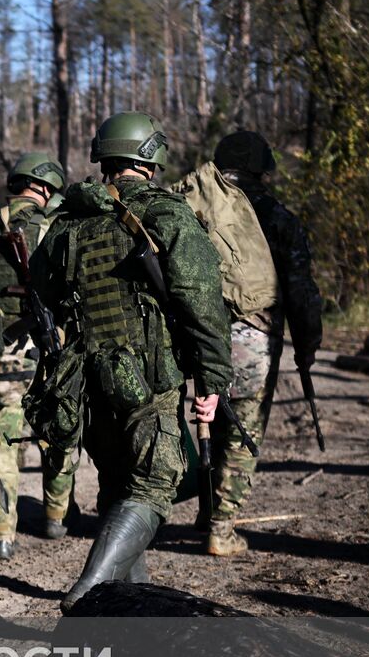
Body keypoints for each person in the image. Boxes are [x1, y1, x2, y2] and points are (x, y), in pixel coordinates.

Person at [28, 113, 232, 612]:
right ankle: (87, 589)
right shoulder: (166, 214)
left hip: (86, 378)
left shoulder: (66, 226)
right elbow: (200, 298)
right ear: (150, 157)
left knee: (119, 485)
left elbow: (39, 300)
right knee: (154, 484)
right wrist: (212, 377)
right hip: (147, 376)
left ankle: (126, 600)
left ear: (106, 158)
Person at [201, 130, 324, 556]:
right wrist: (307, 347)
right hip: (252, 337)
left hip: (199, 337)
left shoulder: (200, 209)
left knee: (210, 418)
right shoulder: (278, 218)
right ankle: (220, 527)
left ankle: (206, 509)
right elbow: (301, 290)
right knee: (242, 428)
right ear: (261, 167)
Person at [0, 153, 79, 559]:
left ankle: (2, 535)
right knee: (61, 429)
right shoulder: (54, 226)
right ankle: (55, 515)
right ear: (46, 187)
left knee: (1, 441)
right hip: (50, 348)